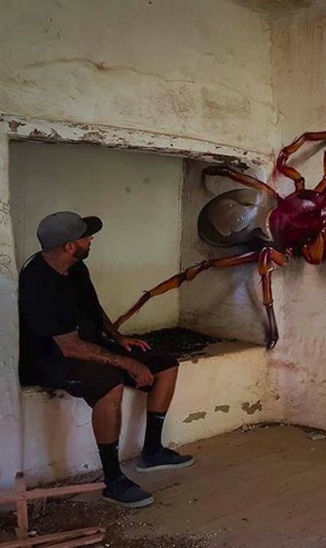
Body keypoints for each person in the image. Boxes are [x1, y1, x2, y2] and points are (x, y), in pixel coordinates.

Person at [18, 211, 194, 508]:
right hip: (50, 358)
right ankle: (113, 480)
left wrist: (118, 338)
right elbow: (70, 347)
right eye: (86, 236)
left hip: (85, 343)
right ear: (70, 246)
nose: (91, 239)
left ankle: (152, 452)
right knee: (109, 384)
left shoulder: (75, 267)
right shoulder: (39, 282)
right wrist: (127, 363)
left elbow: (93, 308)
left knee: (165, 365)